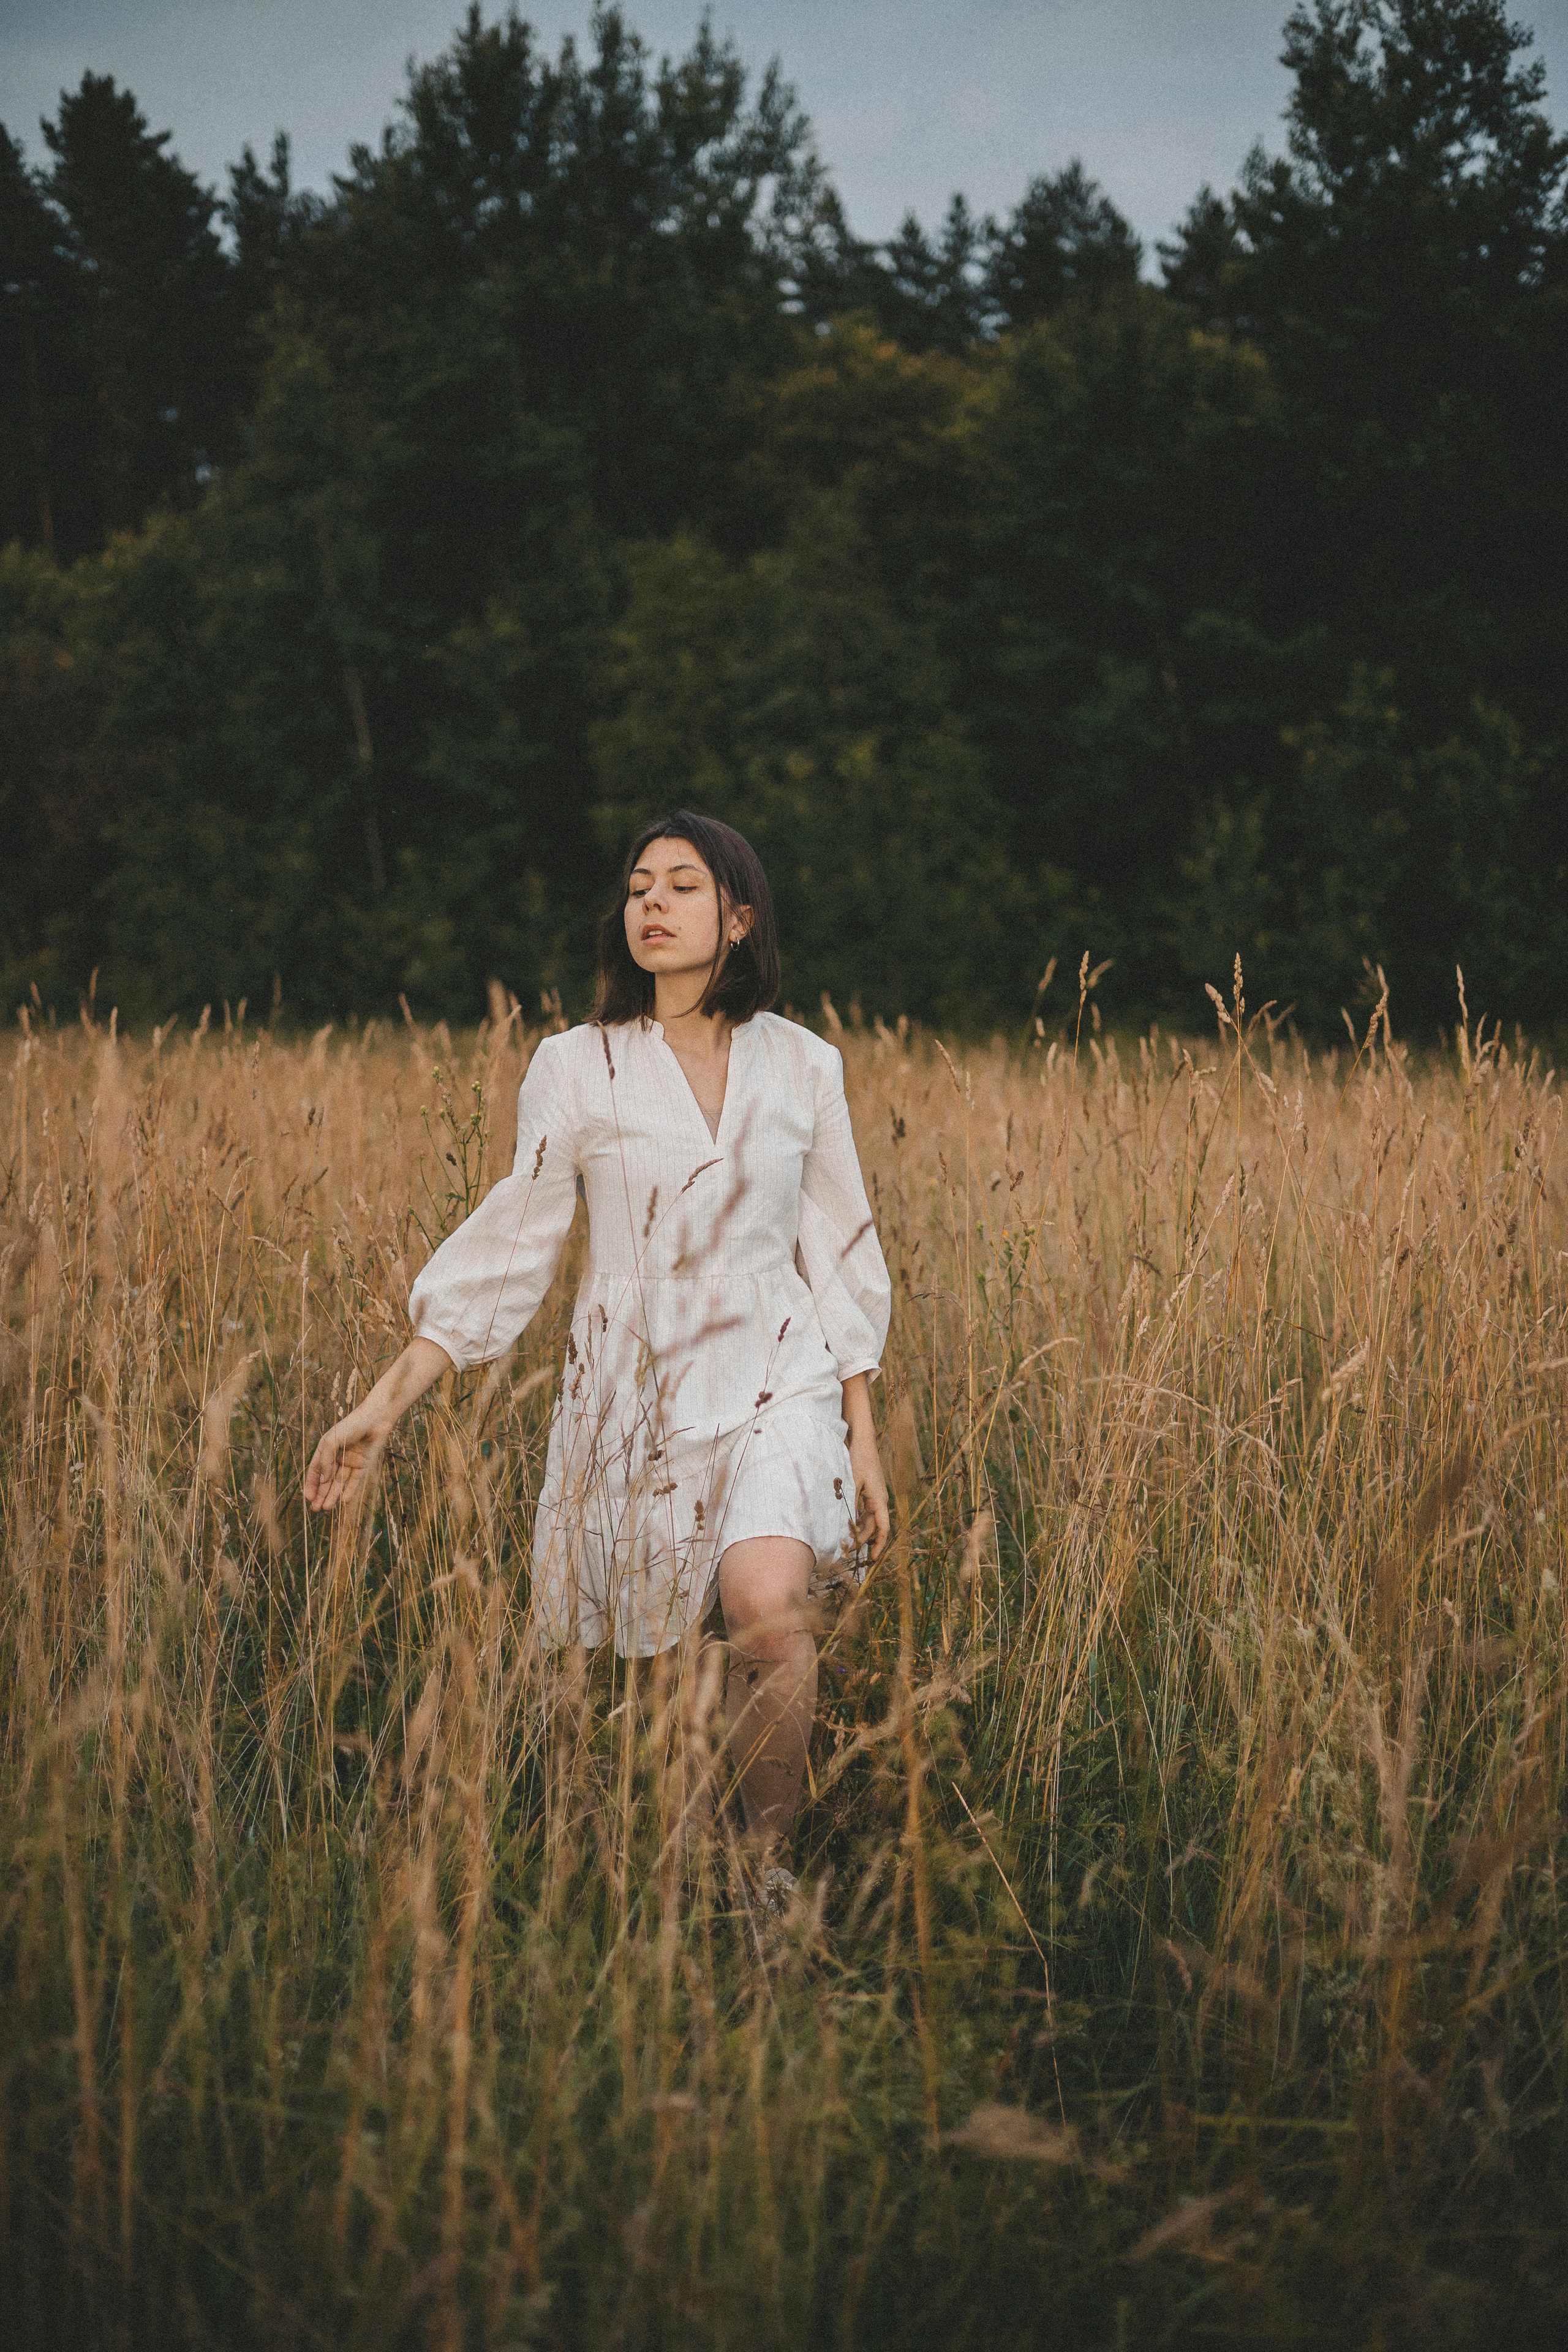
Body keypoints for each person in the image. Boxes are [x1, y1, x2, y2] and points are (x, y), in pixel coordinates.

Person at [304, 811, 891, 1910]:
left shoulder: (806, 1065)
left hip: (780, 1372)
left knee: (767, 1611)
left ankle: (763, 1875)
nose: (652, 905)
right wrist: (384, 1406)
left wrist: (862, 1431)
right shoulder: (578, 1068)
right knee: (656, 1660)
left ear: (740, 915)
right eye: (637, 888)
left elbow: (841, 1242)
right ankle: (659, 1870)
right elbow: (509, 1245)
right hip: (635, 1385)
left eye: (681, 886)